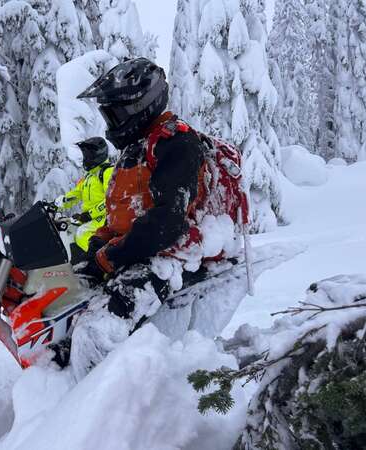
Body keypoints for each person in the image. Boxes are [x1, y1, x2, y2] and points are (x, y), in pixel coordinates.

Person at [67, 57, 249, 377]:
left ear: (142, 106)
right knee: (66, 305)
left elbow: (168, 221)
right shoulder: (134, 152)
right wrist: (93, 252)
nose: (112, 120)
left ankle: (111, 412)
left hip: (172, 256)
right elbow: (119, 218)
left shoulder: (176, 142)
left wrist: (109, 257)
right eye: (109, 112)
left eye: (117, 112)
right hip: (138, 251)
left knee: (95, 336)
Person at [55, 137, 114, 264]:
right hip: (91, 218)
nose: (85, 158)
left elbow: (110, 200)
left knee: (82, 233)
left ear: (97, 155)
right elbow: (77, 193)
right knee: (68, 230)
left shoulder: (107, 172)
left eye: (88, 155)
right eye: (85, 155)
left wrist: (89, 214)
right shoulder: (89, 176)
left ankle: (101, 262)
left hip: (105, 218)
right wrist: (61, 202)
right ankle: (73, 264)